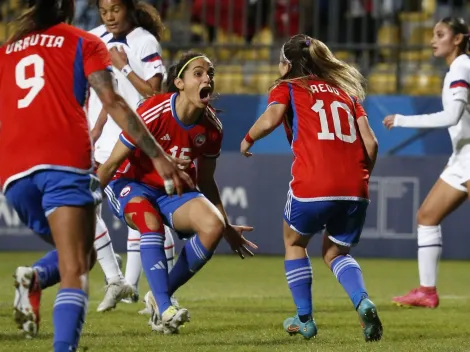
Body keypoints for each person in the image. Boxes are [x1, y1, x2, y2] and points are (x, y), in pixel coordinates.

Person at [0, 0, 191, 349]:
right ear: (67, 6)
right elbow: (114, 102)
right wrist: (159, 157)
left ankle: (37, 280)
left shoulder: (8, 50)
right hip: (62, 160)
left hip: (13, 171)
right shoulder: (84, 41)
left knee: (82, 252)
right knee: (76, 266)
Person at [97, 52, 257, 334]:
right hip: (130, 184)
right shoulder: (153, 111)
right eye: (198, 73)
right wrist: (84, 202)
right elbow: (111, 163)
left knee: (212, 226)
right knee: (151, 223)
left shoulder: (211, 128)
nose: (207, 78)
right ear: (179, 82)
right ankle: (166, 307)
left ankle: (159, 296)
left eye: (210, 74)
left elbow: (206, 181)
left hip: (172, 190)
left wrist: (226, 225)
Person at [240, 34, 382, 341]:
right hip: (356, 187)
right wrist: (360, 178)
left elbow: (271, 118)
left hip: (313, 183)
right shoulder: (346, 92)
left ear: (287, 64)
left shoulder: (288, 86)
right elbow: (371, 143)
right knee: (336, 252)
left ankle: (304, 318)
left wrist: (248, 138)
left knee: (294, 242)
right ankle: (363, 301)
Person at [87, 0, 177, 311]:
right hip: (99, 142)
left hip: (131, 141)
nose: (110, 16)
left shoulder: (143, 41)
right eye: (104, 10)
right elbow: (105, 94)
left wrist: (123, 65)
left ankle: (154, 291)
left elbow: (155, 92)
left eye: (116, 9)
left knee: (141, 216)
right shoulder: (93, 38)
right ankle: (122, 282)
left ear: (128, 8)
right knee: (91, 210)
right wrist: (96, 125)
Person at [383, 17, 470, 309]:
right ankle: (426, 291)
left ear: (457, 39)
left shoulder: (462, 66)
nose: (433, 39)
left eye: (440, 34)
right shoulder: (455, 70)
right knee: (427, 216)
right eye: (433, 34)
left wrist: (403, 119)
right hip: (462, 157)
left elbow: (452, 117)